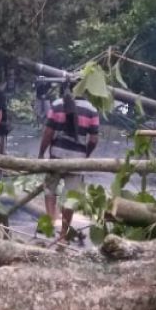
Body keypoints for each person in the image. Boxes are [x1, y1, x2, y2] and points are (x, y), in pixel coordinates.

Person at [38, 81, 100, 243]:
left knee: (50, 190)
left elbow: (48, 133)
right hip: (77, 160)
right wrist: (85, 155)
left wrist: (41, 153)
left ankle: (51, 224)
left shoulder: (57, 104)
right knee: (70, 198)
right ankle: (63, 235)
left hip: (56, 157)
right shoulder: (92, 110)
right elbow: (93, 139)